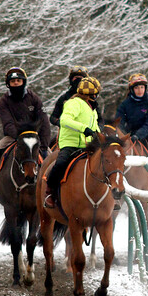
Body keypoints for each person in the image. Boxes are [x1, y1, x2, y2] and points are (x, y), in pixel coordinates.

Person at [0, 67, 52, 197]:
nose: (16, 83)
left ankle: (52, 187)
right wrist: (19, 137)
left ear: (23, 82)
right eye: (13, 81)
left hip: (35, 137)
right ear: (8, 84)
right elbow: (7, 123)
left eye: (18, 80)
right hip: (14, 137)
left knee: (51, 158)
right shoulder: (4, 101)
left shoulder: (34, 98)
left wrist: (44, 144)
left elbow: (44, 121)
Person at [42, 76, 102, 209]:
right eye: (97, 92)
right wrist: (83, 129)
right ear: (92, 93)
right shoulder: (73, 103)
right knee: (61, 163)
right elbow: (64, 120)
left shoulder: (92, 108)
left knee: (106, 161)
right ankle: (50, 192)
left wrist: (101, 136)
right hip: (71, 143)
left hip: (88, 145)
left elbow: (95, 126)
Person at [114, 73, 148, 158]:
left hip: (147, 134)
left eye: (142, 87)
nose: (140, 90)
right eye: (136, 88)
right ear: (132, 89)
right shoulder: (125, 104)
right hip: (129, 134)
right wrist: (122, 133)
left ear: (145, 88)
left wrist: (138, 135)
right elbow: (119, 120)